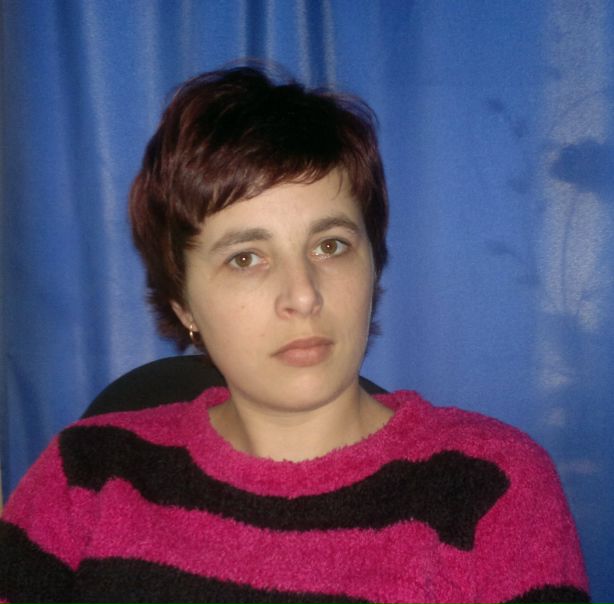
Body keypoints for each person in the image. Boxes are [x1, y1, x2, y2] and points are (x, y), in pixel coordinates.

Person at [0, 66, 590, 603]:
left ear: (374, 264)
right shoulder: (85, 473)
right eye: (245, 258)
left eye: (330, 246)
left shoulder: (488, 487)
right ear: (184, 303)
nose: (303, 295)